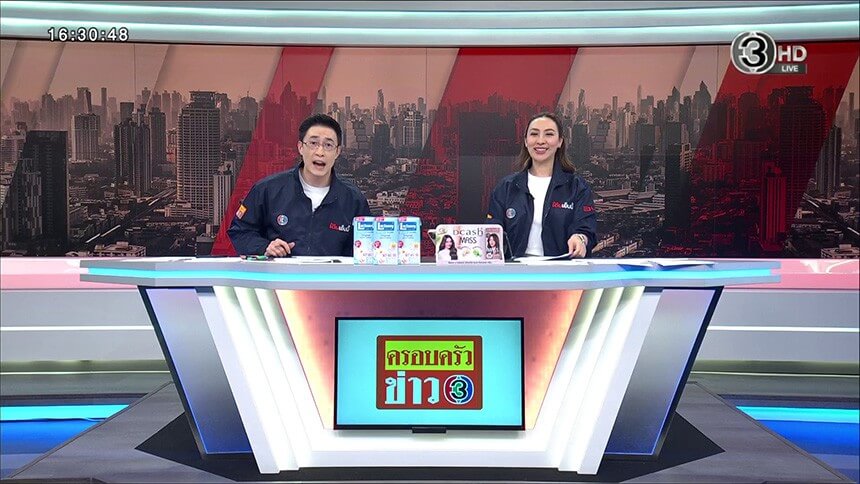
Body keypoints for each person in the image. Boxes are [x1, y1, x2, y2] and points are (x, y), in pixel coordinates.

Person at [228, 114, 371, 257]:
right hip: (279, 272)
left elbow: (366, 248)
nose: (320, 152)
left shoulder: (354, 200)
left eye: (328, 145)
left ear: (337, 152)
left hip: (332, 272)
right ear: (301, 147)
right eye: (313, 143)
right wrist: (264, 247)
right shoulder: (267, 190)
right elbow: (240, 231)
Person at [487, 112, 596, 258]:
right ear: (526, 141)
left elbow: (586, 228)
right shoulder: (506, 187)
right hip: (515, 269)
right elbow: (492, 230)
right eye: (534, 134)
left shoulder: (577, 187)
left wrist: (580, 238)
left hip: (561, 269)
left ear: (560, 142)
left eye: (549, 134)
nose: (540, 141)